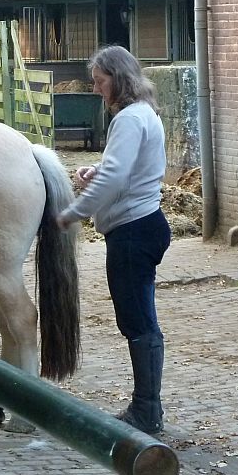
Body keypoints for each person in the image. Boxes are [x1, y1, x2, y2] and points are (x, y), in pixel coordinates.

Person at [55, 44, 172, 434]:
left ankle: (147, 411)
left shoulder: (127, 119)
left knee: (137, 321)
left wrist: (75, 211)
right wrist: (96, 169)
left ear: (117, 79)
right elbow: (123, 169)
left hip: (132, 231)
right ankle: (147, 407)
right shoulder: (143, 115)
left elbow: (118, 177)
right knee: (140, 319)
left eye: (99, 81)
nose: (95, 89)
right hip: (144, 224)